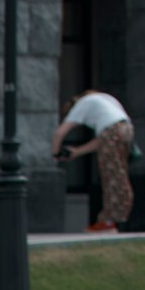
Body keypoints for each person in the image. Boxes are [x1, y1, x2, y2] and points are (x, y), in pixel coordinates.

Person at [53, 90, 135, 233]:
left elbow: (59, 133)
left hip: (112, 133)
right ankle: (115, 216)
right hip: (126, 129)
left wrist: (55, 153)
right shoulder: (105, 99)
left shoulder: (81, 104)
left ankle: (108, 221)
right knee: (118, 173)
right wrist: (77, 152)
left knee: (110, 176)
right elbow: (102, 140)